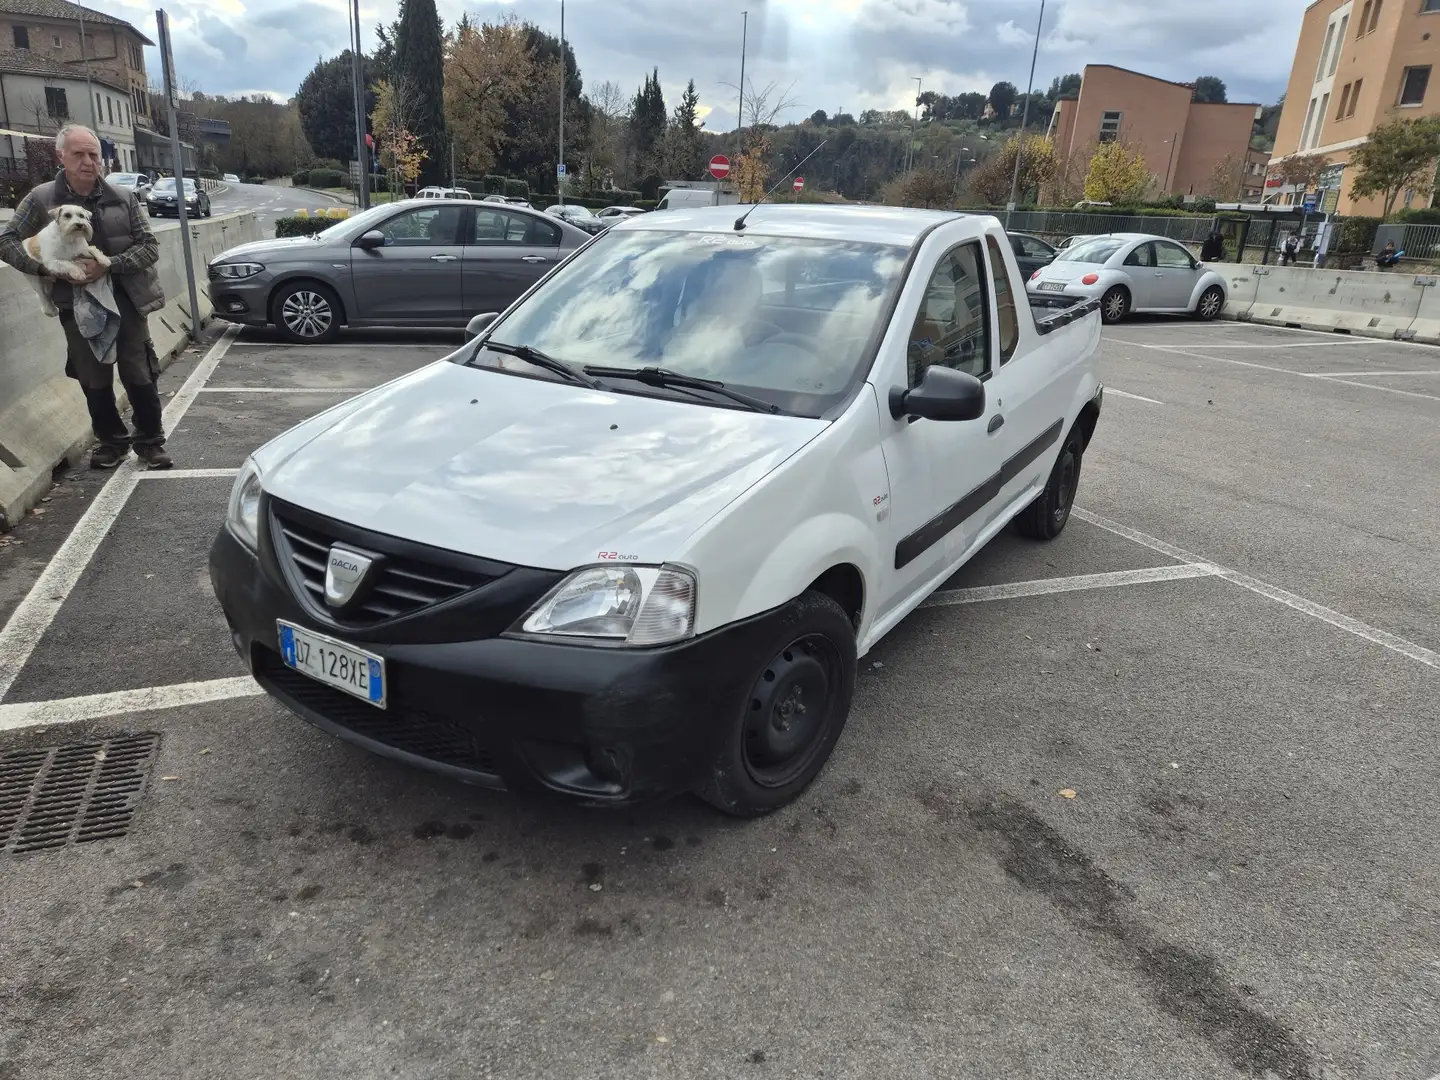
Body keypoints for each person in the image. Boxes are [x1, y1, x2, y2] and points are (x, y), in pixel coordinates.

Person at [0, 124, 171, 469]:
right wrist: (49, 269)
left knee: (139, 370)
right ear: (60, 155)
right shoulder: (40, 199)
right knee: (92, 374)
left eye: (94, 154)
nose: (88, 161)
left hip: (125, 297)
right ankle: (112, 442)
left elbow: (149, 246)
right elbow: (6, 242)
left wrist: (110, 266)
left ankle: (151, 442)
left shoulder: (123, 197)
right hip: (74, 302)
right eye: (78, 154)